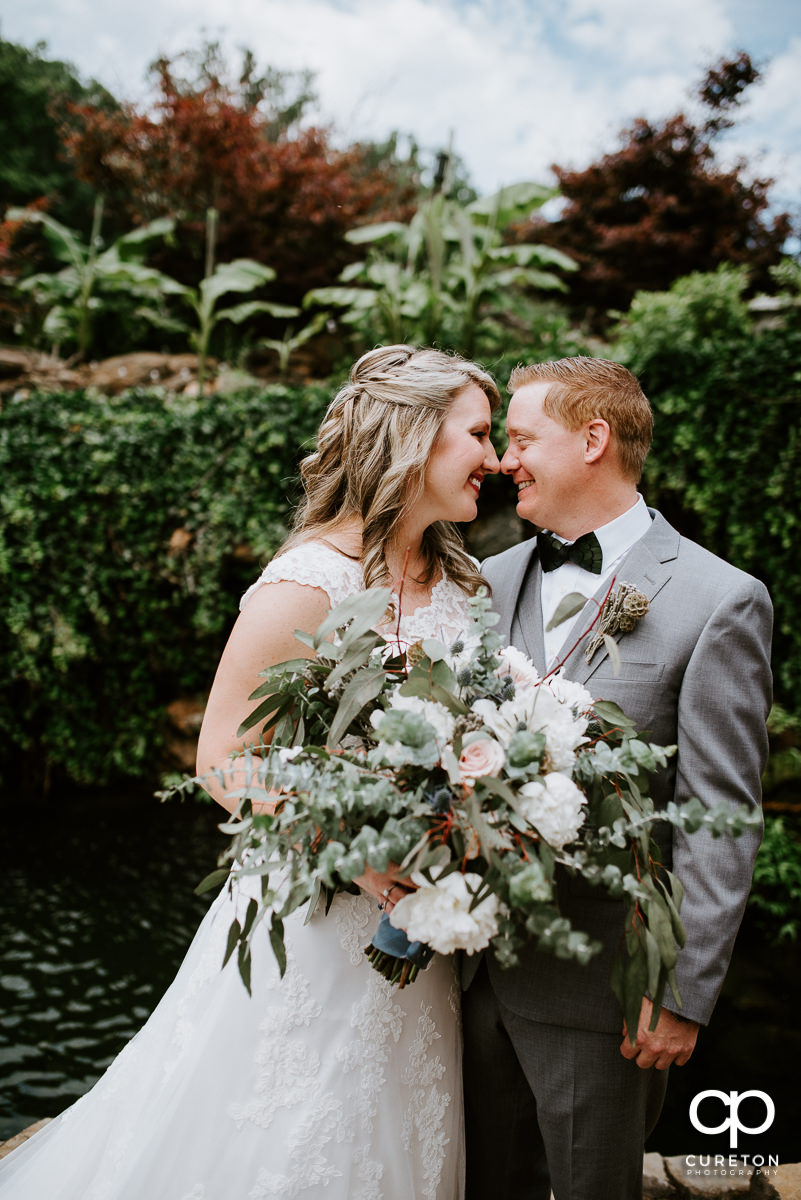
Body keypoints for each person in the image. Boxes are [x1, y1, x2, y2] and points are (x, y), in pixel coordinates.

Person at [0, 344, 501, 1200]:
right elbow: (223, 757)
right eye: (480, 434)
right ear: (413, 436)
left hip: (425, 922)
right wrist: (349, 848)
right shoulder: (307, 583)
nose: (493, 459)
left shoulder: (466, 581)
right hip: (315, 920)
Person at [461, 356, 773, 1200]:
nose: (500, 460)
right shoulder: (484, 584)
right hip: (455, 981)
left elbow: (717, 814)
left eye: (521, 439)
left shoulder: (719, 599)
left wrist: (682, 991)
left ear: (592, 439)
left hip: (599, 995)